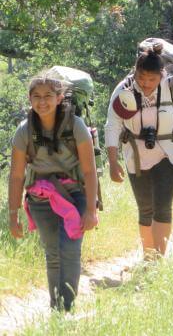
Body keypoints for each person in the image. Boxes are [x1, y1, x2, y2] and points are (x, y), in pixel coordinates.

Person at [8, 70, 98, 311]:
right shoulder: (24, 130)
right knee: (53, 254)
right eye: (36, 96)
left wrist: (91, 210)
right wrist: (13, 214)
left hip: (73, 195)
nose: (42, 101)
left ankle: (66, 306)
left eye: (48, 95)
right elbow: (16, 175)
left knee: (69, 249)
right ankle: (56, 308)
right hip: (39, 197)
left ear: (59, 98)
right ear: (29, 99)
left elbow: (89, 171)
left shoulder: (76, 126)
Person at [105, 43, 173, 259]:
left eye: (152, 79)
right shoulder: (124, 89)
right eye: (142, 78)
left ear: (161, 74)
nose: (146, 84)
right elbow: (112, 125)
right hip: (135, 154)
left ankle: (158, 259)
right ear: (135, 71)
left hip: (168, 151)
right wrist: (112, 161)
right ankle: (149, 258)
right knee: (145, 208)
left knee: (163, 207)